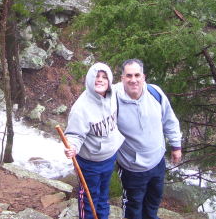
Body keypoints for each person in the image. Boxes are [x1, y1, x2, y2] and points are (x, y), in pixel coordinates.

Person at [113, 59, 182, 219]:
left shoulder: (155, 93)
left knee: (153, 203)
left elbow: (169, 119)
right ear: (122, 78)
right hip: (132, 168)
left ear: (144, 77)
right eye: (128, 75)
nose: (133, 80)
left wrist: (176, 146)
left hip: (157, 163)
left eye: (137, 75)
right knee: (133, 207)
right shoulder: (113, 99)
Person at [64, 62, 125, 219]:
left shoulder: (113, 94)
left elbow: (128, 83)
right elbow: (74, 135)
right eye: (96, 77)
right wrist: (72, 147)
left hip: (109, 157)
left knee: (103, 196)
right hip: (89, 163)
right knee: (89, 198)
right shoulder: (81, 108)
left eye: (104, 77)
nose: (100, 80)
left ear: (109, 80)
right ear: (90, 79)